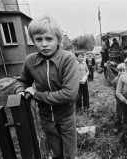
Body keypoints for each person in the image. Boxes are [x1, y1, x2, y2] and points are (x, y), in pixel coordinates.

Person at [14, 16, 79, 159]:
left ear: (58, 40)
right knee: (56, 153)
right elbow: (21, 81)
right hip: (46, 117)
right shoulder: (30, 61)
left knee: (69, 155)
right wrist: (20, 93)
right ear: (33, 40)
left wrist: (37, 95)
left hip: (66, 116)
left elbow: (69, 94)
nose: (44, 44)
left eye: (49, 39)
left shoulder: (67, 59)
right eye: (39, 39)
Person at [112, 63, 126, 133]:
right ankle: (118, 127)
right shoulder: (117, 80)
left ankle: (119, 127)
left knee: (121, 114)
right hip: (122, 100)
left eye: (124, 70)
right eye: (121, 70)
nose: (122, 72)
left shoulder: (116, 79)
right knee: (120, 114)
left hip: (122, 100)